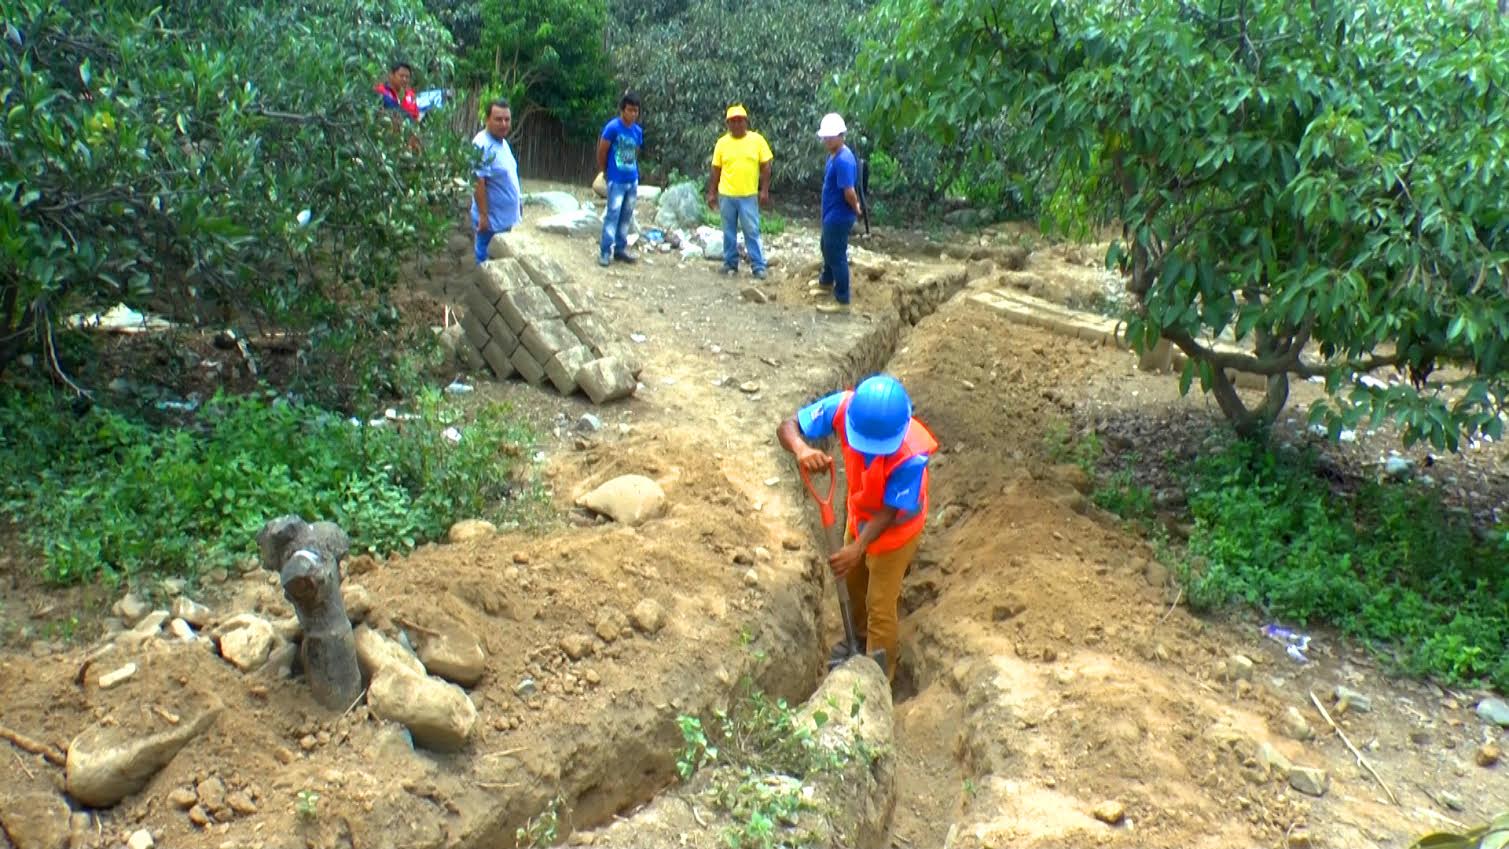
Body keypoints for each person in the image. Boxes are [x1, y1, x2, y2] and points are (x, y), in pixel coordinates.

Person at [776, 374, 937, 681]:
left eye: (880, 449)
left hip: (897, 532)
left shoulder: (912, 455)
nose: (871, 454)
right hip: (860, 514)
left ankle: (879, 680)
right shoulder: (844, 406)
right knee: (852, 582)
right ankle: (859, 639)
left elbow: (891, 511)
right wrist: (801, 450)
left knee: (880, 604)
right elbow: (788, 426)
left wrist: (858, 547)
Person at [706, 104, 774, 279]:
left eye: (740, 121)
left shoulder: (757, 141)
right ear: (727, 124)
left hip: (748, 195)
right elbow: (716, 169)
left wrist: (764, 190)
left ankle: (758, 266)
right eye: (733, 121)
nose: (736, 124)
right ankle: (730, 263)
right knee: (728, 231)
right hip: (727, 194)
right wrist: (712, 193)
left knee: (752, 231)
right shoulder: (722, 143)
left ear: (746, 122)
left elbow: (766, 166)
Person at [813, 113, 862, 314]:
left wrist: (856, 207)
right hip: (831, 213)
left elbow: (849, 191)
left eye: (830, 137)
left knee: (836, 254)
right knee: (826, 246)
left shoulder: (843, 160)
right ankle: (826, 281)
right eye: (825, 137)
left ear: (841, 135)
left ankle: (842, 299)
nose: (826, 140)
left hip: (839, 216)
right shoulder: (834, 155)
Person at [470, 100, 521, 265]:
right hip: (490, 223)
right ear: (487, 119)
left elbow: (508, 175)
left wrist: (518, 201)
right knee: (484, 263)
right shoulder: (481, 144)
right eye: (498, 119)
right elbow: (478, 181)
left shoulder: (503, 143)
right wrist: (483, 216)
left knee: (499, 263)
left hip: (503, 221)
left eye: (507, 119)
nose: (504, 124)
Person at [596, 92, 644, 267]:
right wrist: (605, 172)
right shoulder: (612, 128)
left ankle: (620, 249)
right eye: (630, 110)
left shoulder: (637, 131)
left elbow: (636, 152)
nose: (633, 114)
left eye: (636, 111)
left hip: (632, 178)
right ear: (622, 110)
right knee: (612, 215)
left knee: (626, 216)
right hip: (616, 179)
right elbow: (602, 151)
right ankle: (605, 251)